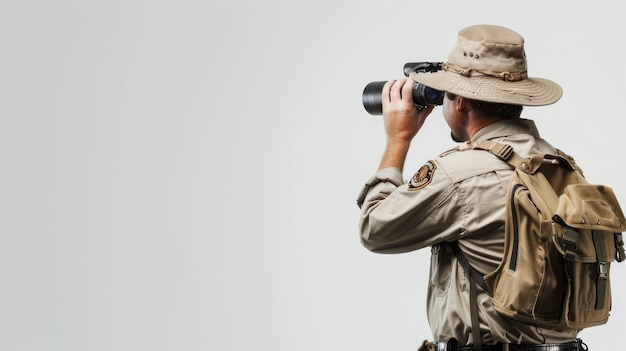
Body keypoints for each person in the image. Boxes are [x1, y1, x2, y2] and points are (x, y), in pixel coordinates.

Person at [356, 24, 586, 350]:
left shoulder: (460, 174)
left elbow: (375, 228)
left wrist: (398, 138)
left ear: (459, 100)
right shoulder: (557, 164)